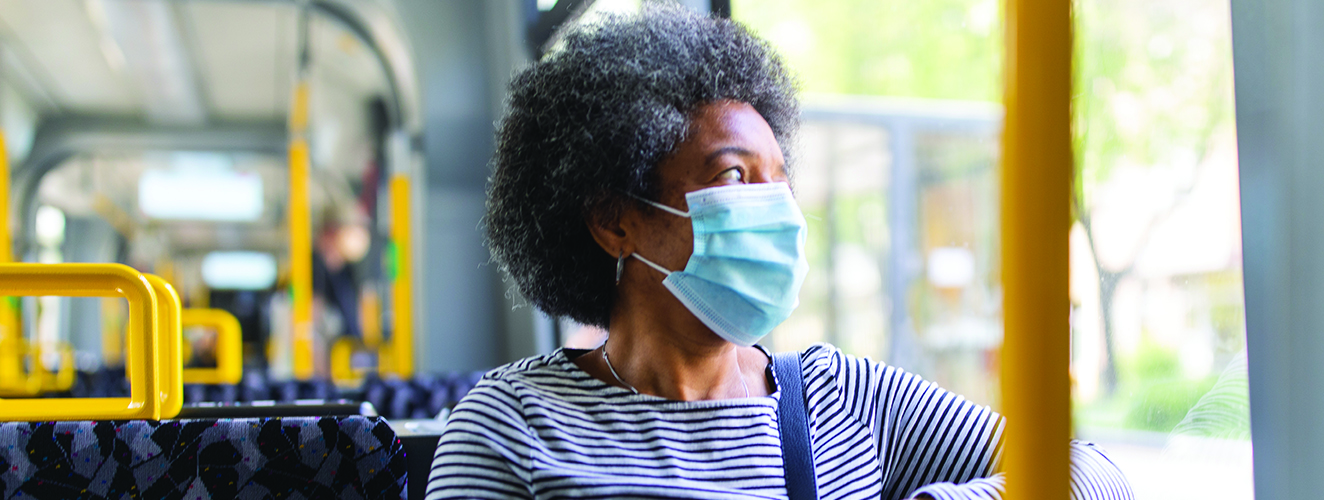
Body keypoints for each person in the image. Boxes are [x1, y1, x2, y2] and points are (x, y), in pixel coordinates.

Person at [427, 5, 1132, 499]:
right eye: (734, 176)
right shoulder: (510, 422)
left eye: (780, 181)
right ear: (617, 223)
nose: (775, 210)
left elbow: (1092, 475)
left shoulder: (845, 398)